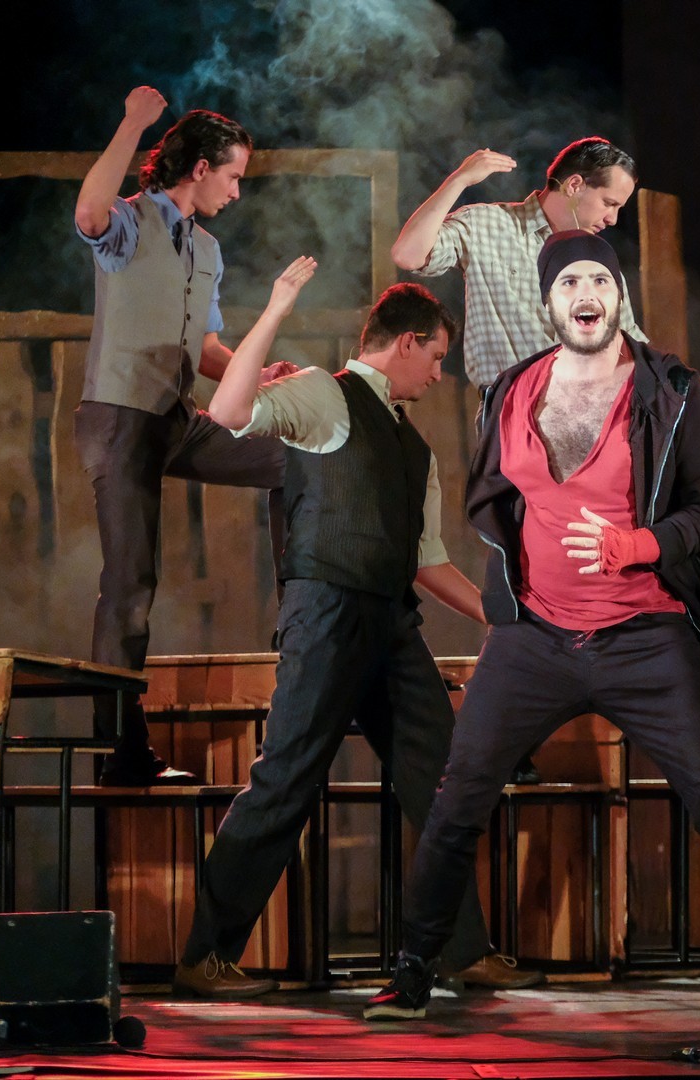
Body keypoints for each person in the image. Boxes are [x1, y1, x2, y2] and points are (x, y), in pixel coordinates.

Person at [364, 231, 700, 1022]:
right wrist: (508, 598)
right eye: (569, 283)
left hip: (644, 635)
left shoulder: (670, 391)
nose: (585, 294)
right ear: (548, 302)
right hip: (533, 639)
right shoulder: (509, 390)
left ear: (619, 296)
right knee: (456, 803)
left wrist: (639, 545)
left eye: (599, 280)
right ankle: (413, 971)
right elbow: (497, 503)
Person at [171, 271, 532, 998]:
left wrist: (507, 620)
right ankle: (206, 955)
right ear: (406, 343)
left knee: (442, 778)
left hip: (391, 624)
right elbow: (230, 410)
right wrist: (276, 307)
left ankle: (458, 949)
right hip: (327, 615)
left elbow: (427, 561)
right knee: (286, 778)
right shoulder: (324, 395)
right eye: (436, 357)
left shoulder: (415, 449)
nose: (438, 373)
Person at [393, 136, 700, 679]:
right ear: (574, 185)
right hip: (521, 418)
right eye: (609, 203)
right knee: (532, 535)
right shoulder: (490, 225)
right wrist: (461, 180)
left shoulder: (595, 263)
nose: (612, 219)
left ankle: (686, 626)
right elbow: (408, 255)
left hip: (604, 415)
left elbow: (634, 347)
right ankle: (520, 662)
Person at [73, 87, 290, 785]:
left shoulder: (206, 248)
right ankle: (121, 752)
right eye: (233, 176)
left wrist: (262, 375)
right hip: (120, 418)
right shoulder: (129, 223)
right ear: (200, 168)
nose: (236, 190)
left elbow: (206, 348)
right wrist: (133, 122)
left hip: (174, 418)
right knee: (130, 584)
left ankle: (301, 616)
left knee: (292, 461)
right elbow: (88, 213)